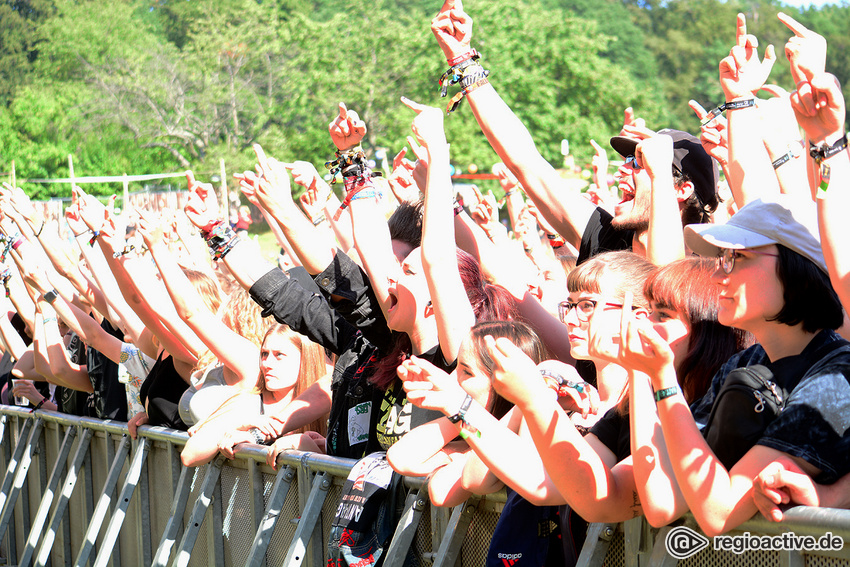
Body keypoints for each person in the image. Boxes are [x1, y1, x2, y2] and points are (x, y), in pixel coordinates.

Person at [609, 194, 850, 537]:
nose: (720, 273)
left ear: (798, 267)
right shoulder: (746, 362)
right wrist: (641, 370)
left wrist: (663, 379)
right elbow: (663, 501)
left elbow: (718, 513)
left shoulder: (837, 374)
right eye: (722, 257)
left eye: (738, 256)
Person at [428, 0, 719, 265]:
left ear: (682, 189)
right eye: (629, 160)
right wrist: (463, 61)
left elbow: (665, 276)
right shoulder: (607, 241)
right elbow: (526, 162)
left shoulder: (705, 277)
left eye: (640, 163)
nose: (621, 171)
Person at [181, 323, 328, 467]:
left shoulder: (328, 402)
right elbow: (189, 456)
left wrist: (304, 443)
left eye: (279, 355)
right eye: (264, 354)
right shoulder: (250, 401)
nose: (266, 363)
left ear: (307, 359)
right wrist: (242, 424)